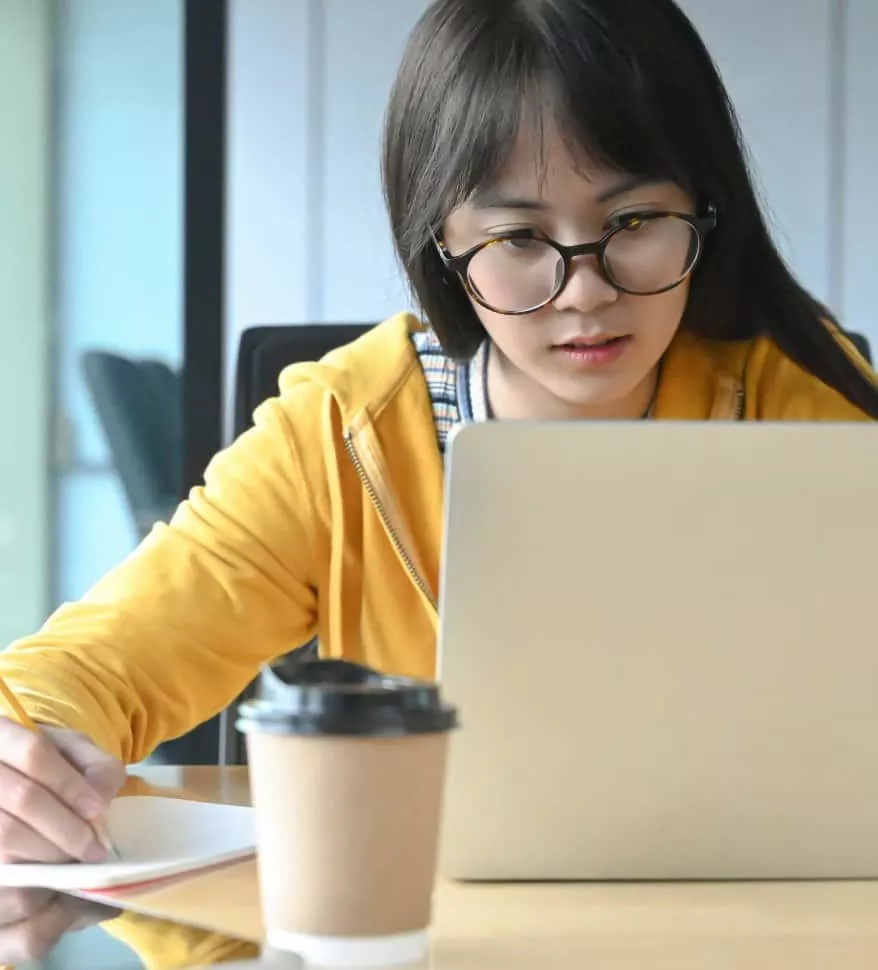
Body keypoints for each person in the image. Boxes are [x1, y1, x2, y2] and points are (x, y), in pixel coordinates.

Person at [1, 0, 876, 876]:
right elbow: (97, 669)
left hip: (755, 910)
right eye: (518, 237)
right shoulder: (342, 437)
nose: (583, 291)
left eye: (635, 222)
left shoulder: (793, 393)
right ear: (441, 243)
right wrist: (20, 755)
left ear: (705, 204)